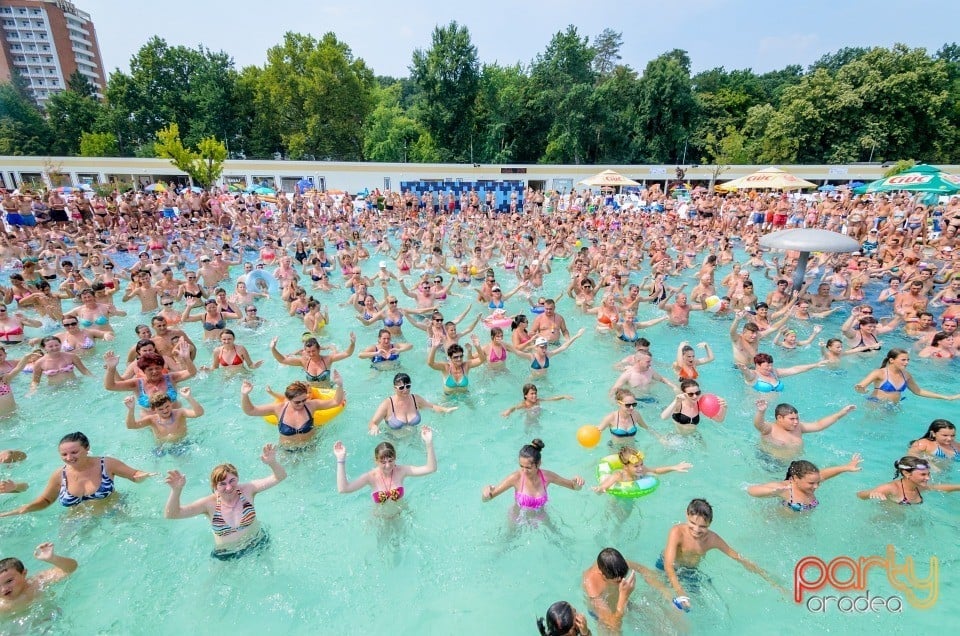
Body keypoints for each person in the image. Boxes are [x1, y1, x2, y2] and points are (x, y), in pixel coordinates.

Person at [658, 498, 785, 611]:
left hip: (691, 572)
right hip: (668, 569)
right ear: (687, 516)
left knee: (702, 608)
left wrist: (769, 579)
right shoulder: (677, 532)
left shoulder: (712, 539)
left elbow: (737, 557)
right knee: (663, 600)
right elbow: (668, 565)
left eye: (702, 526)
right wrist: (680, 591)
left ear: (710, 523)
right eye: (692, 523)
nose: (696, 530)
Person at [163, 444, 286, 559]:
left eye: (232, 480)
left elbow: (280, 477)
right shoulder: (209, 504)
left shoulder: (248, 489)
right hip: (226, 554)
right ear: (215, 486)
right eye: (222, 484)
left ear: (237, 478)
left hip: (258, 542)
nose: (229, 487)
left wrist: (272, 463)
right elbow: (172, 514)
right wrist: (176, 490)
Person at [0, 432, 154, 517]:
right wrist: (24, 508)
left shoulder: (106, 464)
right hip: (77, 519)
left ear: (87, 448)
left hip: (114, 511)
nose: (69, 457)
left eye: (74, 452)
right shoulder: (59, 475)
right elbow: (46, 500)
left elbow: (134, 475)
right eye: (64, 454)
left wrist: (143, 475)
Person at [332, 427, 436, 515]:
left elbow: (431, 468)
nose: (388, 466)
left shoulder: (401, 471)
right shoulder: (370, 477)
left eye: (391, 461)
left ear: (395, 458)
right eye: (383, 462)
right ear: (376, 461)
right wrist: (340, 459)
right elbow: (343, 489)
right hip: (380, 520)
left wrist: (429, 443)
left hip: (401, 515)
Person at [581, 548, 671, 634]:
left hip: (621, 602)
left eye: (624, 577)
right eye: (618, 581)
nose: (622, 582)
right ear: (602, 575)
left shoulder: (615, 564)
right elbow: (614, 625)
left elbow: (644, 570)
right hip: (603, 616)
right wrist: (624, 596)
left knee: (658, 624)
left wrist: (664, 591)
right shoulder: (591, 584)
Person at [481, 439, 584, 512]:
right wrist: (485, 493)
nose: (524, 471)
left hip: (541, 516)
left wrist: (577, 483)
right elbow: (487, 499)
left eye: (528, 468)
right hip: (518, 518)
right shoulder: (515, 478)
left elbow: (574, 487)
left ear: (538, 464)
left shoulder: (547, 476)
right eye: (521, 466)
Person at [240, 379, 344, 448]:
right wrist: (244, 394)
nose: (302, 404)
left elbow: (335, 402)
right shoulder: (278, 408)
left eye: (304, 400)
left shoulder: (311, 405)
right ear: (288, 399)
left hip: (310, 446)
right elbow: (250, 411)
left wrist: (339, 385)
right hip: (287, 450)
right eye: (297, 402)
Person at [746, 455, 862, 512]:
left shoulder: (811, 482)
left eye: (818, 482)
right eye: (811, 483)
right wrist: (771, 492)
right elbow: (751, 490)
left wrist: (846, 467)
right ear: (796, 478)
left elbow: (826, 474)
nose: (816, 486)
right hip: (782, 526)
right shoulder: (786, 489)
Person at [752, 400, 856, 458]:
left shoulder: (798, 427)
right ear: (779, 418)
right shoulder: (770, 428)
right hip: (771, 463)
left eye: (797, 418)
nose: (796, 422)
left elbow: (819, 425)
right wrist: (761, 412)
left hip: (792, 463)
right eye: (791, 419)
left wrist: (841, 413)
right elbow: (759, 425)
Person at [854, 348, 960, 404]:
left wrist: (946, 397)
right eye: (903, 360)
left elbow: (918, 391)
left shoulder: (906, 375)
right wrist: (861, 390)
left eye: (908, 360)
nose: (906, 362)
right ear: (892, 360)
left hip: (894, 406)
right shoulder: (879, 373)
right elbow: (861, 386)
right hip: (876, 405)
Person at [367, 373, 456, 435]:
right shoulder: (387, 404)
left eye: (408, 386)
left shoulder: (415, 399)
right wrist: (374, 427)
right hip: (394, 439)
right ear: (394, 388)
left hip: (413, 438)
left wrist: (445, 410)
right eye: (401, 387)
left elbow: (431, 407)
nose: (405, 390)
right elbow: (372, 423)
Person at [0, 543, 78, 613]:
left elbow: (71, 569)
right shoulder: (2, 606)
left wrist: (52, 559)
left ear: (24, 574)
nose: (4, 589)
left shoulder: (38, 582)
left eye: (9, 581)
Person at [857, 456, 960, 505]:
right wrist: (872, 493)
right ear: (907, 473)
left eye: (928, 474)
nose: (927, 478)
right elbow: (860, 495)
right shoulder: (892, 488)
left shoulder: (919, 487)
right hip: (887, 527)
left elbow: (938, 488)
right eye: (923, 474)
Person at [124, 387, 204, 449]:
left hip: (181, 443)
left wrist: (189, 397)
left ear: (171, 403)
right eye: (160, 409)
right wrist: (131, 409)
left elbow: (199, 413)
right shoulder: (151, 420)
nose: (165, 410)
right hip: (161, 447)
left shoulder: (180, 413)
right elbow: (131, 426)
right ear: (154, 409)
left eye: (167, 406)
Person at [270, 333, 356, 387]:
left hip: (327, 390)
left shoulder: (328, 359)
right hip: (312, 392)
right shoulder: (304, 362)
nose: (311, 354)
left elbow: (347, 354)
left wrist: (352, 344)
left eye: (313, 351)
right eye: (308, 352)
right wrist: (273, 348)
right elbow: (282, 360)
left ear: (319, 349)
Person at [593, 448, 692, 494]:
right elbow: (604, 486)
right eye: (636, 466)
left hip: (632, 494)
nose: (640, 468)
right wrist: (599, 489)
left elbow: (656, 471)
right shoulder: (619, 475)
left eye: (641, 464)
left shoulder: (642, 470)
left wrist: (673, 467)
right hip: (619, 499)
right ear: (625, 466)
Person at [660, 380, 726, 434]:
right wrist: (676, 401)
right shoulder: (679, 404)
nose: (695, 396)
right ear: (684, 393)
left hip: (693, 434)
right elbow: (663, 417)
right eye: (691, 394)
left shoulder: (700, 404)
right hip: (678, 435)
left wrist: (724, 408)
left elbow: (719, 420)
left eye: (697, 393)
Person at [737, 352, 825, 393]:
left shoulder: (774, 372)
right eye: (767, 366)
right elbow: (748, 373)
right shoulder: (754, 375)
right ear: (757, 365)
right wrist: (744, 370)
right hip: (756, 408)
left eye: (771, 365)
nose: (770, 368)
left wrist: (815, 365)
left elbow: (794, 369)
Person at [513, 332, 585, 376]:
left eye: (545, 347)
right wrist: (502, 344)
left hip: (545, 379)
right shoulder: (531, 357)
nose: (544, 349)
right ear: (536, 347)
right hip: (533, 381)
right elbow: (517, 352)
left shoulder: (548, 355)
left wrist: (577, 336)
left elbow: (564, 347)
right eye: (542, 347)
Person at [501, 383, 574, 417]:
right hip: (529, 420)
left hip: (538, 417)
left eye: (535, 393)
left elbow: (551, 399)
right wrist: (508, 411)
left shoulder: (538, 401)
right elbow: (514, 407)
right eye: (532, 394)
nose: (534, 395)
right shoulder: (524, 404)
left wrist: (563, 396)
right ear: (525, 395)